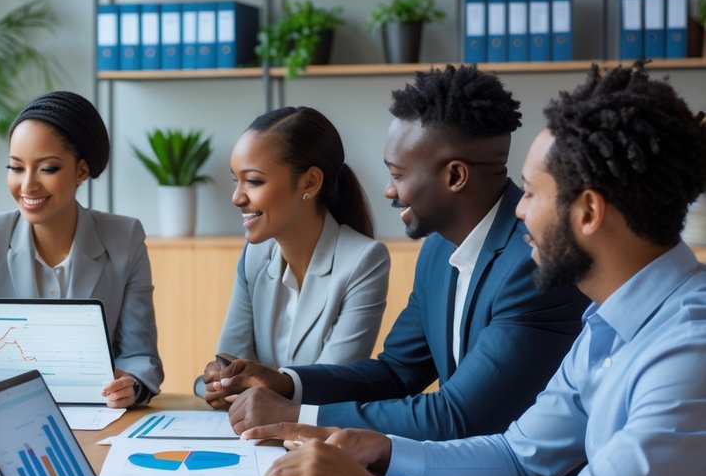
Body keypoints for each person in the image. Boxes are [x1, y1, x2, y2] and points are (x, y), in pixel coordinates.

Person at [246, 63, 706, 476]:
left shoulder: (689, 349)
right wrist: (387, 450)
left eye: (534, 193)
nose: (518, 211)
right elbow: (517, 459)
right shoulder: (609, 321)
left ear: (587, 212)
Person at [209, 65, 588, 439]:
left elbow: (458, 416)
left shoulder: (532, 260)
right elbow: (397, 372)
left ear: (455, 176)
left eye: (399, 174)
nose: (389, 190)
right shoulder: (438, 248)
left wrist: (300, 416)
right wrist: (286, 383)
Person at [0, 91, 163, 407]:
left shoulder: (124, 237)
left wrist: (130, 385)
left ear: (81, 171)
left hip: (98, 411)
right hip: (4, 409)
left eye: (47, 168)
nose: (27, 185)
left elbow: (139, 355)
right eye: (15, 167)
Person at [195, 107, 390, 398]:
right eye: (236, 180)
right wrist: (211, 383)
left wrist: (250, 383)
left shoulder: (363, 261)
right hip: (250, 432)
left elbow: (333, 383)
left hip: (314, 435)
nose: (236, 197)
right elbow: (228, 363)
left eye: (254, 181)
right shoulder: (254, 257)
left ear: (309, 182)